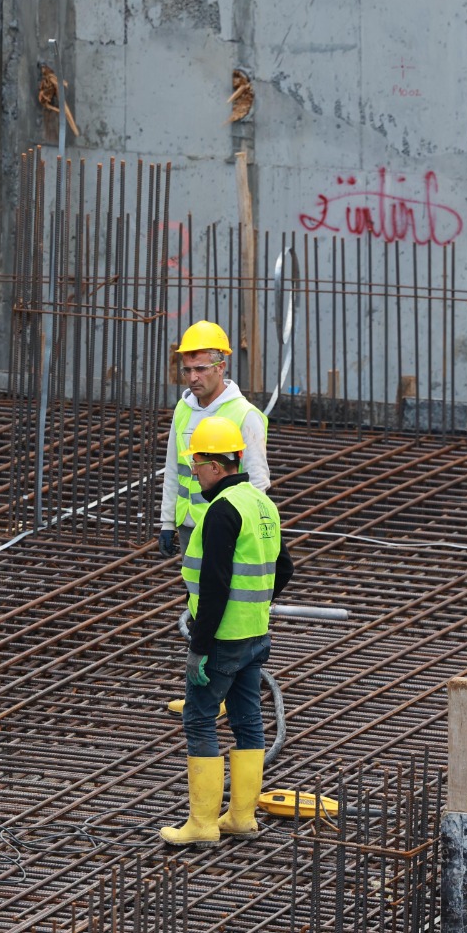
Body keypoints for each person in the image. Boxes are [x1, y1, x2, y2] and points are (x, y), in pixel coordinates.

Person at [160, 416, 293, 846]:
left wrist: (199, 646)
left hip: (222, 638)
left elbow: (214, 585)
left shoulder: (221, 512)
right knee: (248, 720)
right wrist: (254, 602)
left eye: (196, 464)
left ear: (217, 466)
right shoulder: (261, 504)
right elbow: (283, 567)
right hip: (256, 636)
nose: (192, 471)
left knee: (199, 719)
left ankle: (201, 824)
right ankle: (241, 817)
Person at [160, 320, 272, 715]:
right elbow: (174, 469)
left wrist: (238, 528)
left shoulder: (245, 415)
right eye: (186, 370)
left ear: (221, 365)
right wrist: (166, 522)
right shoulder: (183, 410)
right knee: (198, 604)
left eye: (200, 369)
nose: (192, 378)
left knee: (222, 604)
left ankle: (221, 687)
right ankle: (210, 685)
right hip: (194, 528)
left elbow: (257, 482)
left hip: (228, 531)